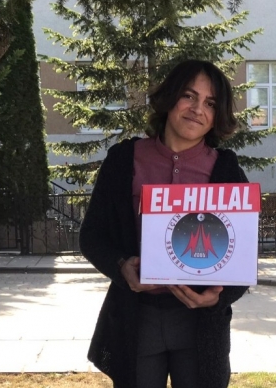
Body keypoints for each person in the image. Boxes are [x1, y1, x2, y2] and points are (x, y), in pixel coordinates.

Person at [79, 59, 249, 388]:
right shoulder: (123, 160)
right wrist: (121, 266)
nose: (197, 109)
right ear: (170, 97)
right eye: (189, 96)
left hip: (200, 325)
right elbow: (92, 237)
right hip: (136, 318)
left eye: (210, 103)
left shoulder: (227, 171)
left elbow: (243, 256)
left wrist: (218, 297)